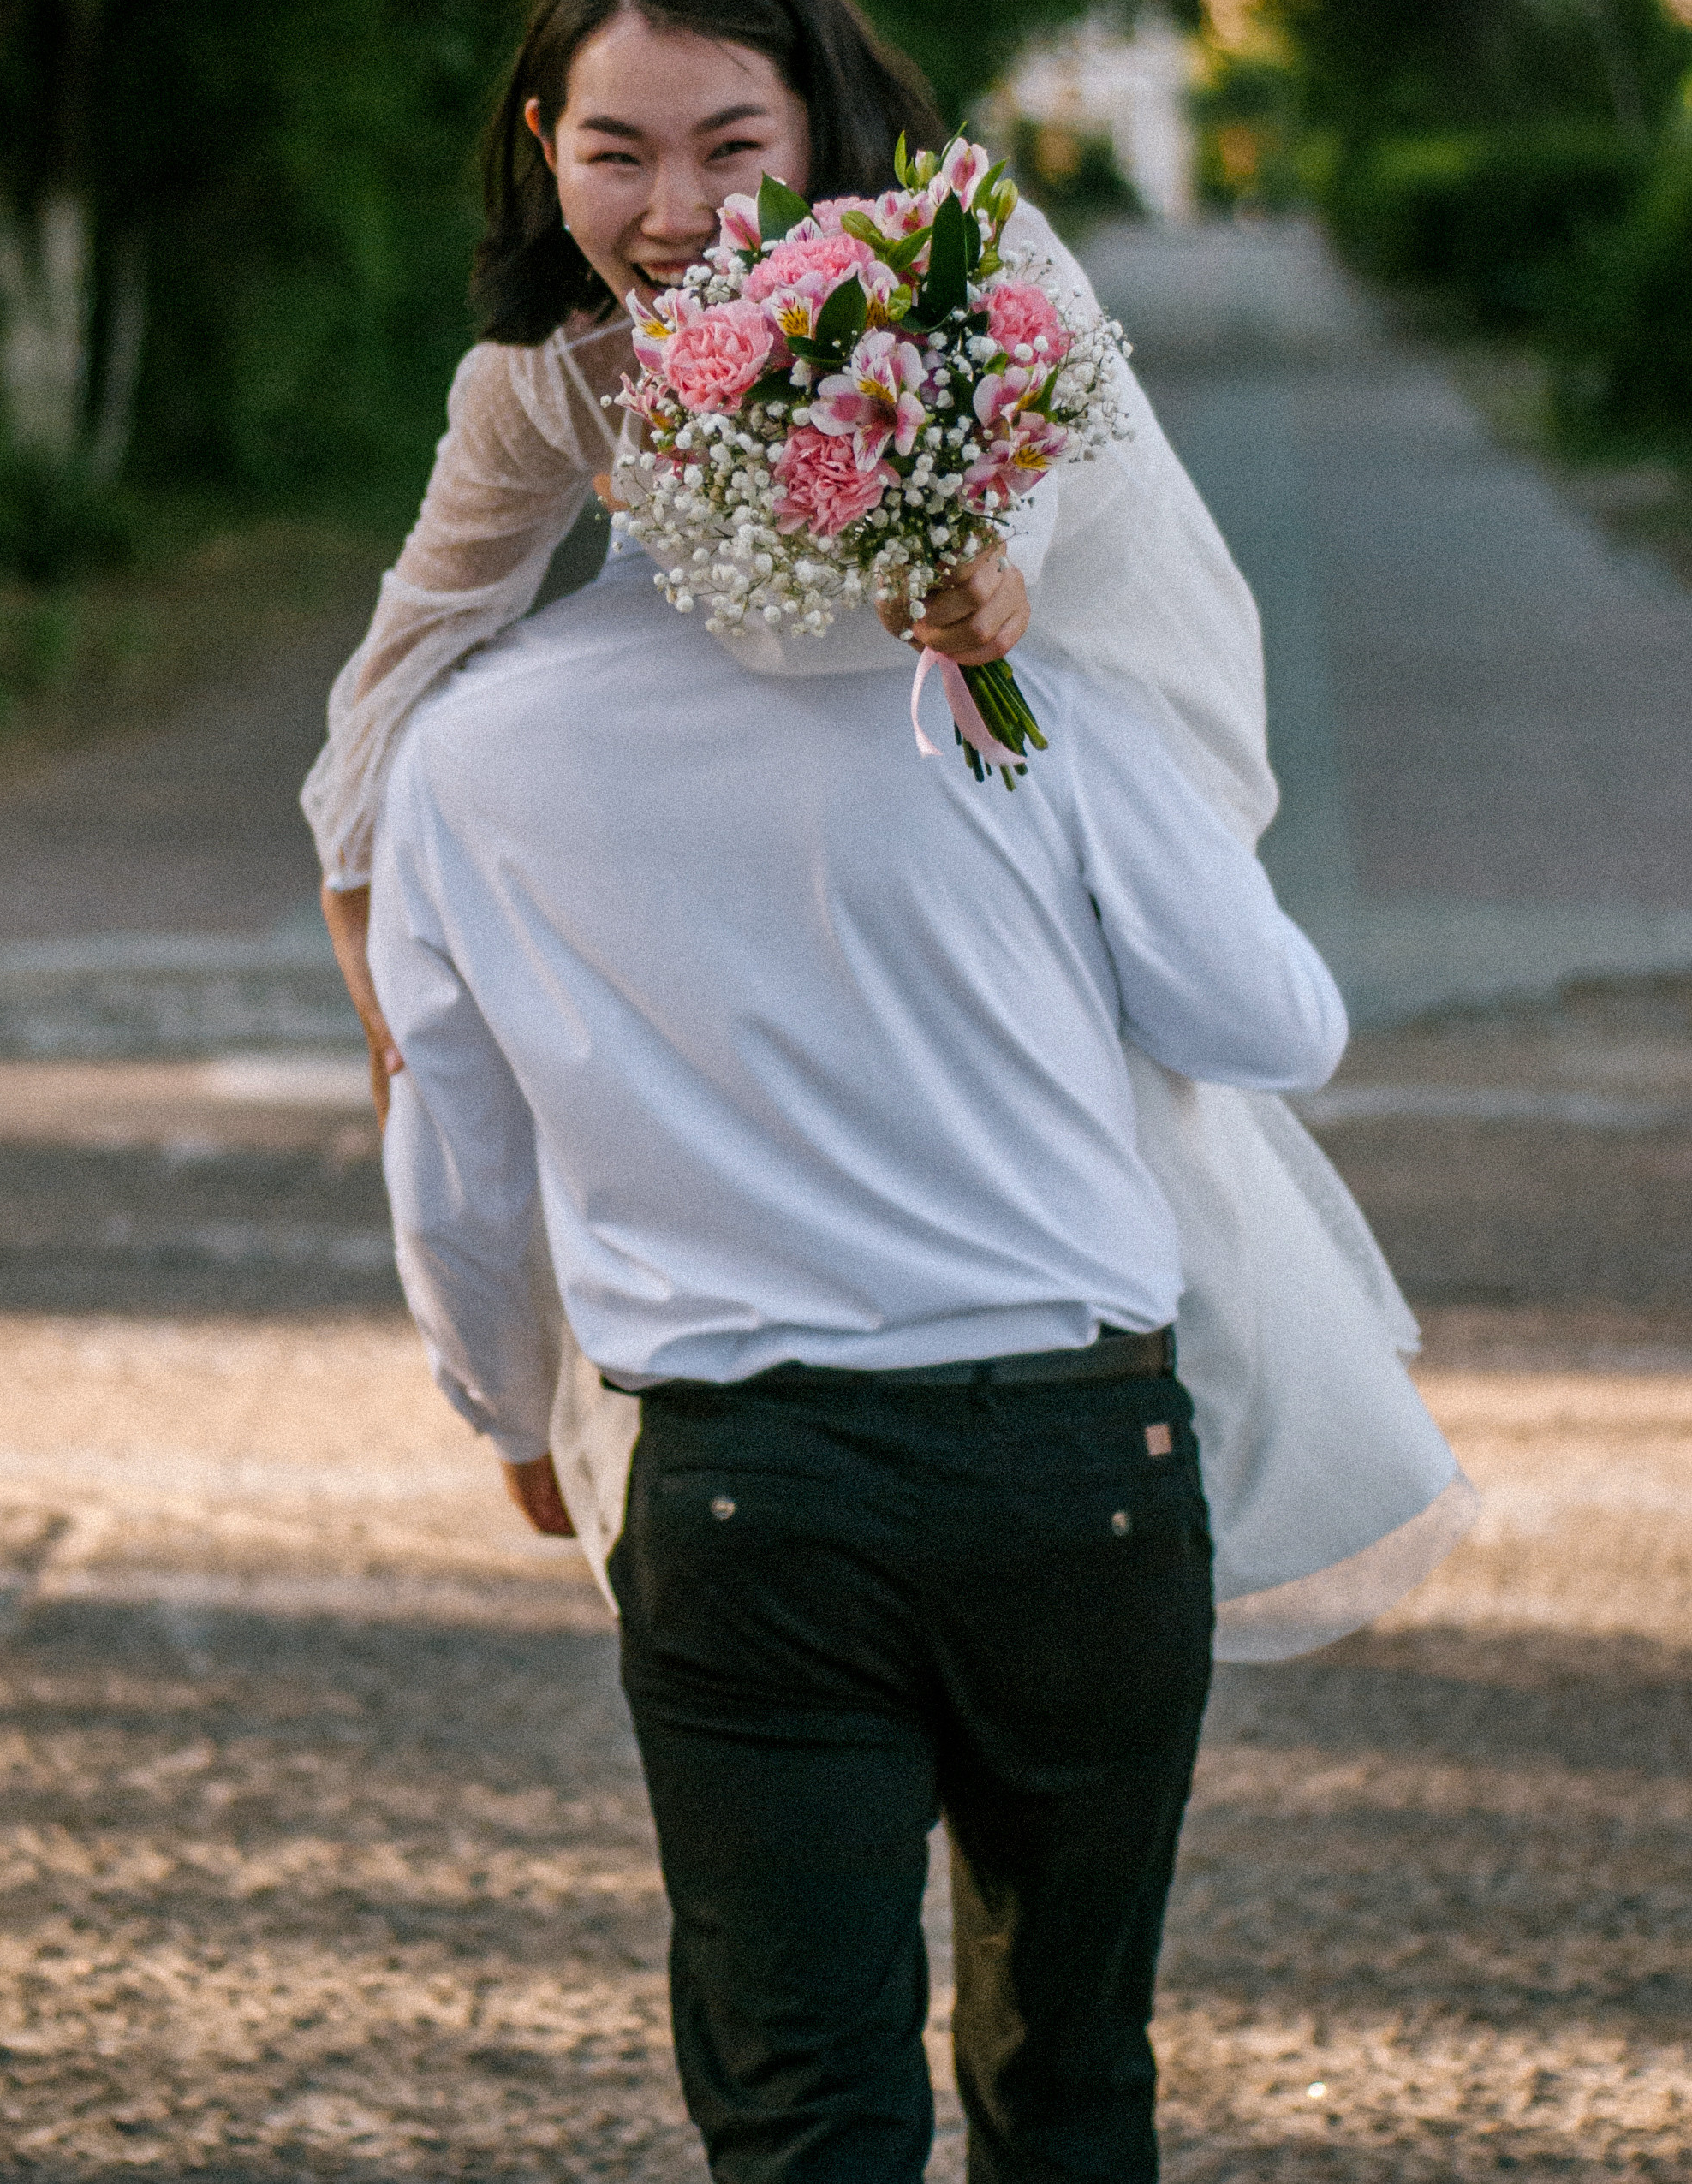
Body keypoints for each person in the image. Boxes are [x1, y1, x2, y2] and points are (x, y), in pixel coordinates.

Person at [303, 0, 1471, 1651]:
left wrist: (973, 574)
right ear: (546, 148)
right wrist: (387, 972)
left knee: (1101, 1117)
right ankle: (689, 1455)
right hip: (755, 733)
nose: (676, 215)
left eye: (731, 148)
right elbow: (394, 690)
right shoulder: (546, 381)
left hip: (1049, 696)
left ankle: (1101, 1480)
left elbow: (1021, 523)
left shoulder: (972, 268)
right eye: (616, 154)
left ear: (820, 127)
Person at [367, 525, 1349, 2181]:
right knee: (1073, 2077)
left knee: (802, 2097)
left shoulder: (469, 744)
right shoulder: (1005, 701)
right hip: (1077, 1468)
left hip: (752, 1489)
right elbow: (1277, 1025)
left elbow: (450, 1150)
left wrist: (507, 1407)